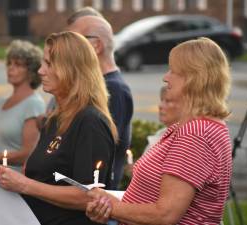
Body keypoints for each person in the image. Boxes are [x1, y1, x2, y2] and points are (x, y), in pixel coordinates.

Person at [86, 37, 233, 225]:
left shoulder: (197, 133)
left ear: (195, 78)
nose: (166, 77)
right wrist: (110, 205)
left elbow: (165, 215)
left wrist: (112, 207)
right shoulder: (196, 126)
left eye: (173, 71)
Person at [0, 31, 118, 225]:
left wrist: (25, 185)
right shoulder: (55, 119)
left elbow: (89, 196)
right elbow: (44, 178)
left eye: (49, 64)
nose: (41, 71)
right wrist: (10, 180)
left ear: (72, 70)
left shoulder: (90, 122)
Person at [68, 13, 134, 189]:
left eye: (75, 40)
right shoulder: (102, 86)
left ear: (96, 45)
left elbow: (100, 149)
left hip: (96, 202)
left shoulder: (114, 90)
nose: (69, 48)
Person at [0, 40, 45, 172]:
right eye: (9, 63)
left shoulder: (33, 104)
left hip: (12, 179)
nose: (11, 68)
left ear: (31, 71)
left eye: (18, 65)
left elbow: (27, 154)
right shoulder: (0, 103)